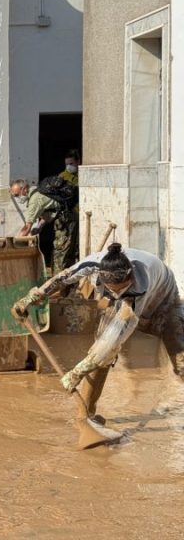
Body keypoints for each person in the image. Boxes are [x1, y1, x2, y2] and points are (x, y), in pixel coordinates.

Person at [13, 243, 184, 423]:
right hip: (121, 303)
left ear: (129, 276)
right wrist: (31, 298)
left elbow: (116, 338)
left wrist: (77, 372)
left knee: (180, 357)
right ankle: (86, 415)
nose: (117, 293)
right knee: (102, 355)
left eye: (121, 289)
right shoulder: (92, 264)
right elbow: (62, 279)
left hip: (164, 302)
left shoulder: (140, 283)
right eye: (112, 289)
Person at [17, 176, 78, 272]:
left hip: (66, 221)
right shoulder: (37, 191)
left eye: (17, 195)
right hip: (67, 218)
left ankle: (59, 282)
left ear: (24, 189)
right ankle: (64, 280)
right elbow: (51, 210)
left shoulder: (35, 199)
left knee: (60, 253)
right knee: (65, 251)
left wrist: (16, 241)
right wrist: (39, 226)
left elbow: (27, 227)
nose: (17, 198)